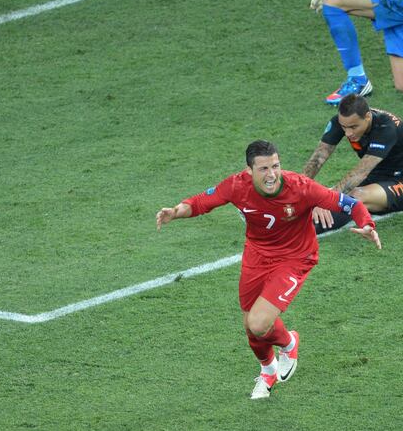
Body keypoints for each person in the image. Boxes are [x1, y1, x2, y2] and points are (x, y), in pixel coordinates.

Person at [156, 140, 381, 400]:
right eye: (263, 168)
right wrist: (175, 212)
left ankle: (289, 343)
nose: (272, 174)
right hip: (256, 255)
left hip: (295, 257)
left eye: (275, 166)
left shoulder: (301, 187)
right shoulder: (236, 185)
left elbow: (351, 204)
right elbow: (200, 202)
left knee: (259, 322)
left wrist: (367, 225)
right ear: (249, 171)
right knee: (251, 328)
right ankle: (268, 370)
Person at [302, 94, 403, 233]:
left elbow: (360, 172)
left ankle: (304, 231)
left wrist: (326, 201)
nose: (348, 133)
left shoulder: (386, 128)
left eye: (353, 127)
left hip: (402, 182)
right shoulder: (343, 122)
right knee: (318, 195)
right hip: (372, 178)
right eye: (344, 127)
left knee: (354, 196)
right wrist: (297, 189)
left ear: (368, 117)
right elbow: (318, 158)